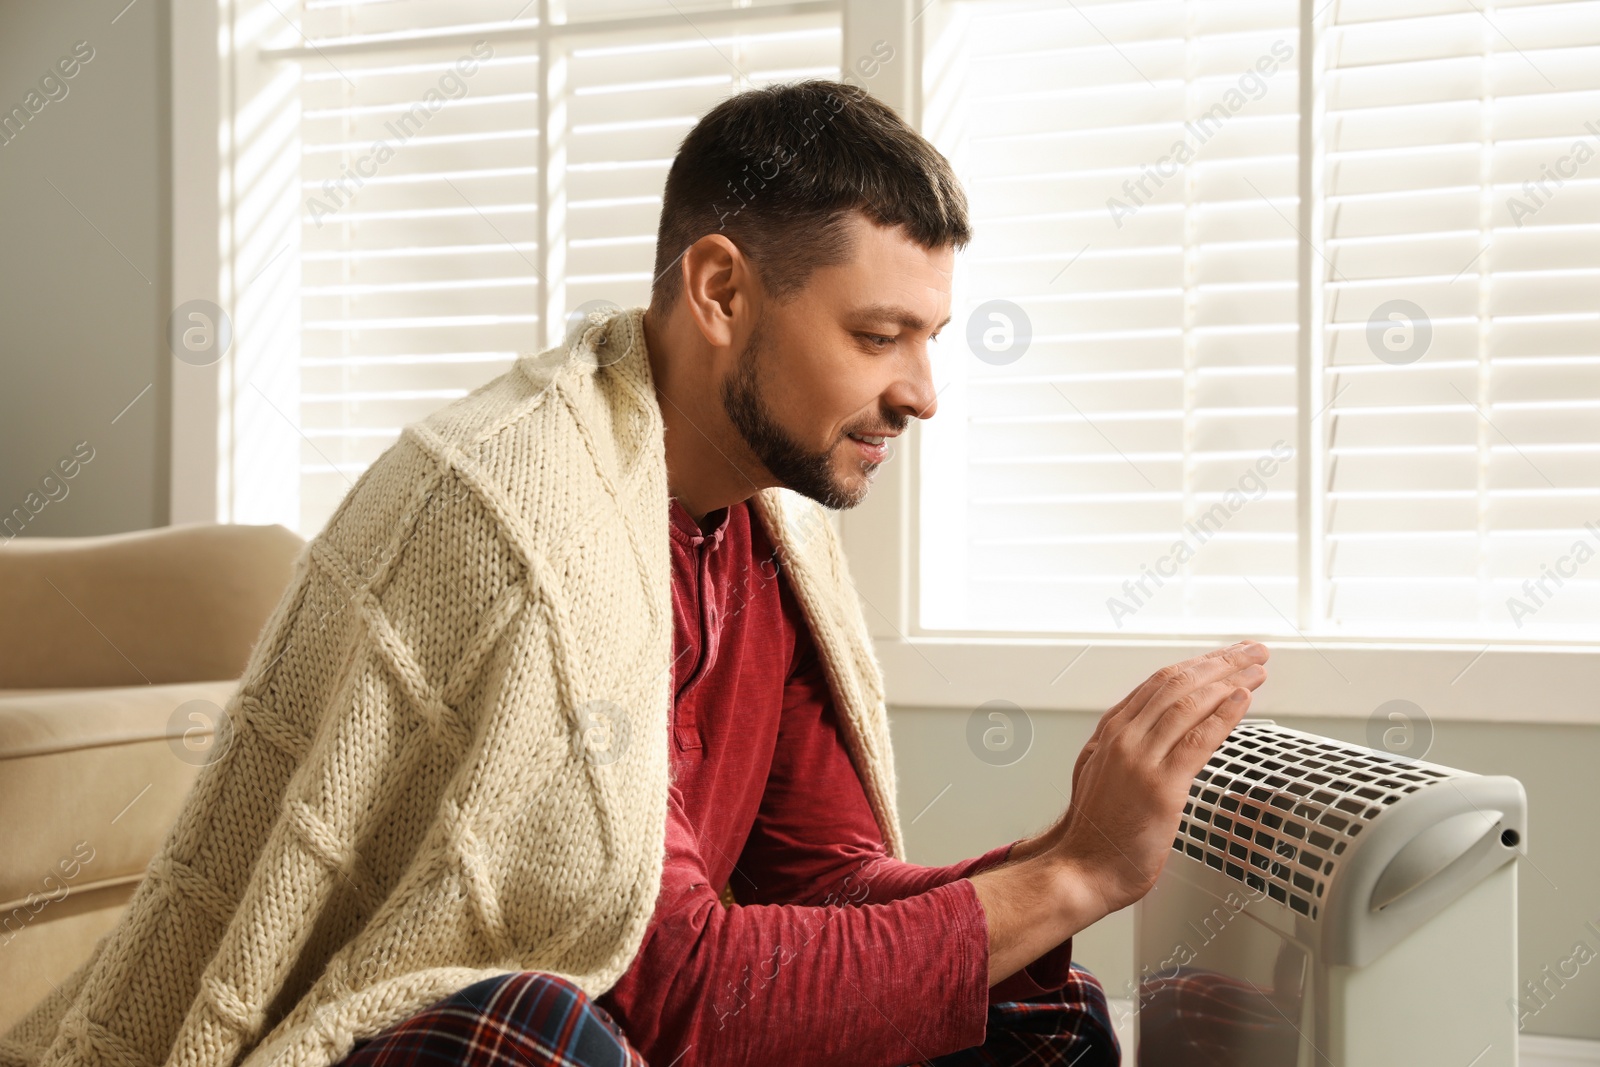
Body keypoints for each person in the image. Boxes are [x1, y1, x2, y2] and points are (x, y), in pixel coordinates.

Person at [327, 80, 1269, 1067]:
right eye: (876, 336)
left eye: (927, 340)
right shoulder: (523, 516)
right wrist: (1076, 876)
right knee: (535, 1032)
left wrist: (1068, 844)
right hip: (442, 1034)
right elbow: (682, 987)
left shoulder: (766, 528)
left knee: (1043, 1013)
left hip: (635, 1022)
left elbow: (821, 882)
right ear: (721, 292)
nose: (920, 394)